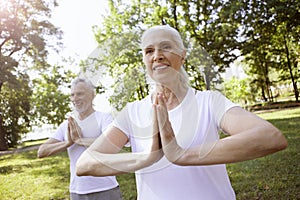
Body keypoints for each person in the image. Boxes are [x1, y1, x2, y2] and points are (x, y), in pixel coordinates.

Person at [75, 25, 288, 200]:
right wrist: (147, 158)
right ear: (144, 61)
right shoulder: (132, 112)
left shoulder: (209, 101)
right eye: (149, 51)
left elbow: (270, 137)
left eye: (165, 47)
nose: (157, 56)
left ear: (182, 56)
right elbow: (85, 164)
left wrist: (179, 154)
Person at [37, 77, 122, 200]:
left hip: (106, 189)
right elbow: (41, 151)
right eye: (72, 95)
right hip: (77, 192)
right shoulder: (67, 124)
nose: (75, 99)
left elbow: (111, 144)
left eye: (80, 94)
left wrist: (80, 141)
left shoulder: (104, 118)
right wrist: (67, 143)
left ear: (92, 95)